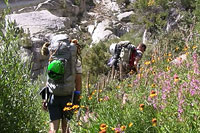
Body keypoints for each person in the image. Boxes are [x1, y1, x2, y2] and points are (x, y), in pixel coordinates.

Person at [40, 36, 82, 133]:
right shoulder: (75, 62)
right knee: (66, 129)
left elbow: (49, 80)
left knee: (53, 129)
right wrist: (78, 98)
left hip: (53, 96)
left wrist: (45, 99)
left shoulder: (52, 59)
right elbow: (78, 81)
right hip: (68, 97)